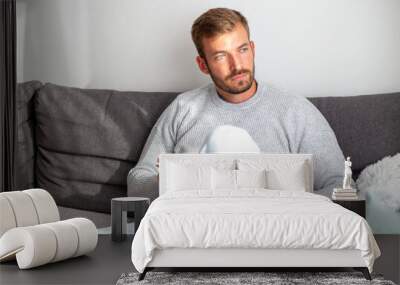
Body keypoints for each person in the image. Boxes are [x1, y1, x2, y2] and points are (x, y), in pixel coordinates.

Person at [127, 7, 346, 200]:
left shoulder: (296, 111)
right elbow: (137, 182)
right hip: (197, 230)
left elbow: (341, 185)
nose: (237, 65)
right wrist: (172, 180)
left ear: (252, 49)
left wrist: (288, 206)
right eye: (221, 56)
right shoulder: (184, 109)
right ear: (203, 65)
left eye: (242, 50)